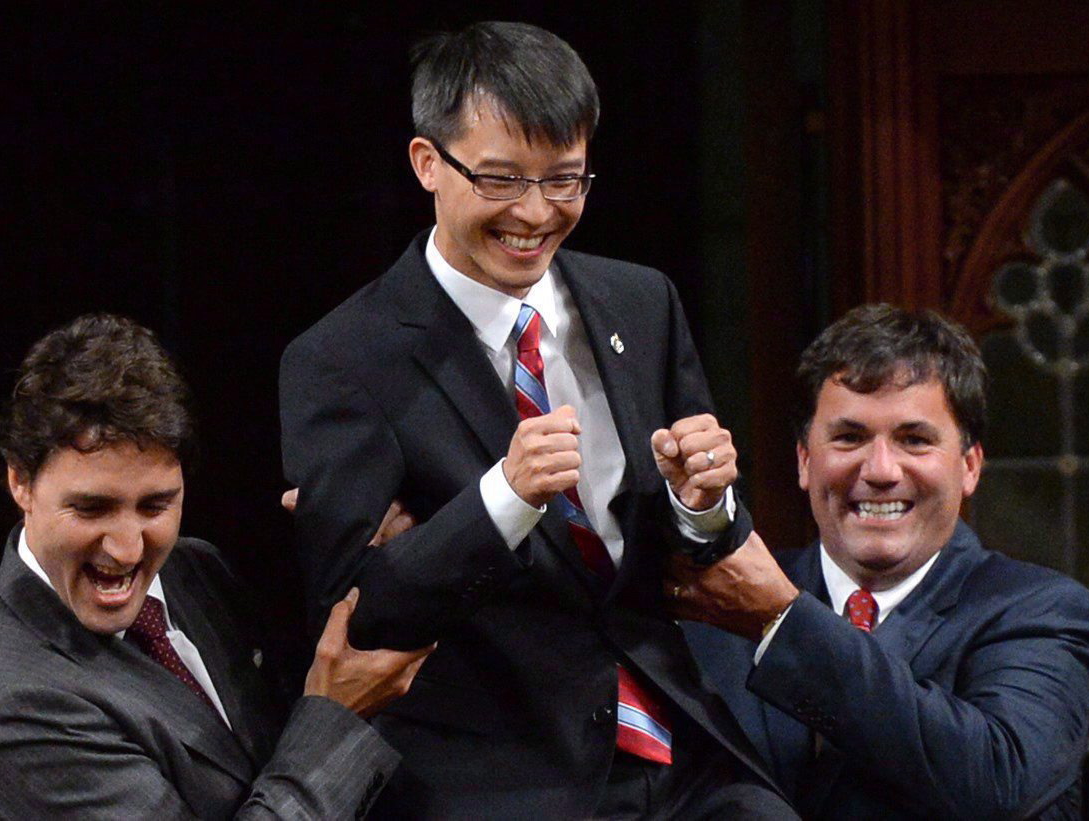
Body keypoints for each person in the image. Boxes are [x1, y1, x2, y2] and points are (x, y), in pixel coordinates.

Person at [279, 20, 794, 819]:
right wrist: (504, 499)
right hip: (496, 774)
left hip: (677, 749)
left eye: (565, 180)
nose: (536, 213)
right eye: (500, 180)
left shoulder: (640, 302)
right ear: (428, 165)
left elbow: (689, 554)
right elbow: (354, 615)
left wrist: (705, 505)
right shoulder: (344, 358)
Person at [0, 314, 432, 819]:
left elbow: (275, 744)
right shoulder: (14, 711)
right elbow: (314, 732)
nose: (128, 550)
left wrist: (359, 549)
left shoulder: (193, 569)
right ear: (20, 483)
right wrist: (336, 720)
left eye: (155, 507)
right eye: (92, 509)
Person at [672, 304, 1089, 819]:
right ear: (805, 462)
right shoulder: (716, 614)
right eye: (850, 438)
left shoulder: (1043, 613)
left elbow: (998, 786)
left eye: (914, 440)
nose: (880, 470)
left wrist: (782, 620)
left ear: (969, 467)